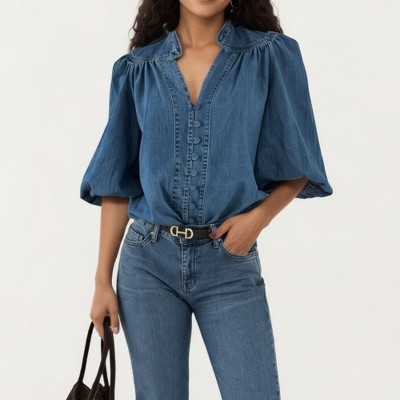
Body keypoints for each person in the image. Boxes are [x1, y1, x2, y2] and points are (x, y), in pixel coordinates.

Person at [79, 0, 333, 398]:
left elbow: (299, 159)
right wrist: (101, 280)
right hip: (148, 262)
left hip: (228, 261)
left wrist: (258, 219)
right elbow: (117, 182)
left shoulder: (268, 56)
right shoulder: (138, 68)